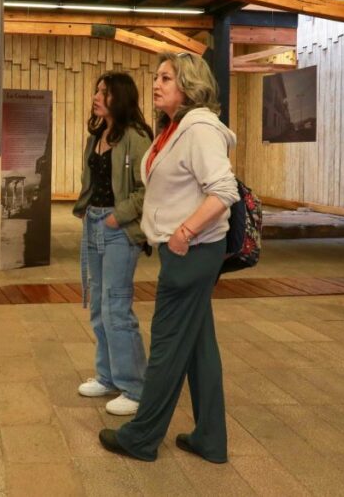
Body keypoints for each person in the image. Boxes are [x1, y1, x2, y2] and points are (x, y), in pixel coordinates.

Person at [98, 52, 238, 462]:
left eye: (166, 78)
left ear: (189, 86)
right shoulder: (174, 128)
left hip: (192, 251)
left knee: (165, 345)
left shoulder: (199, 129)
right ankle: (210, 438)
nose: (156, 84)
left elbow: (224, 190)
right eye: (156, 77)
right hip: (187, 251)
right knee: (198, 348)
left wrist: (184, 231)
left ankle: (141, 437)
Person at [73, 72, 153, 416]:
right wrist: (87, 209)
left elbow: (147, 189)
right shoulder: (96, 136)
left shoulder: (136, 137)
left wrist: (116, 217)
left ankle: (134, 387)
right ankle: (107, 376)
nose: (96, 96)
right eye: (96, 90)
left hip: (119, 229)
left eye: (104, 92)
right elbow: (91, 180)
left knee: (116, 306)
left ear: (119, 97)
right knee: (98, 305)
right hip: (93, 223)